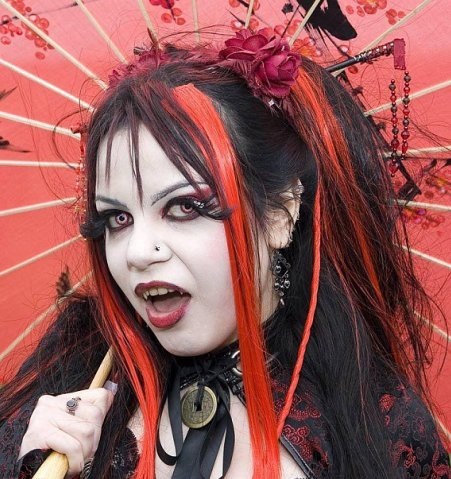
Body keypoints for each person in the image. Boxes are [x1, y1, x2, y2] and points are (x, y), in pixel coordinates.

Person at [0, 28, 450, 479]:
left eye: (184, 207)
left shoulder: (380, 426)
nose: (137, 252)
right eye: (117, 218)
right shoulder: (74, 375)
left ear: (280, 215)